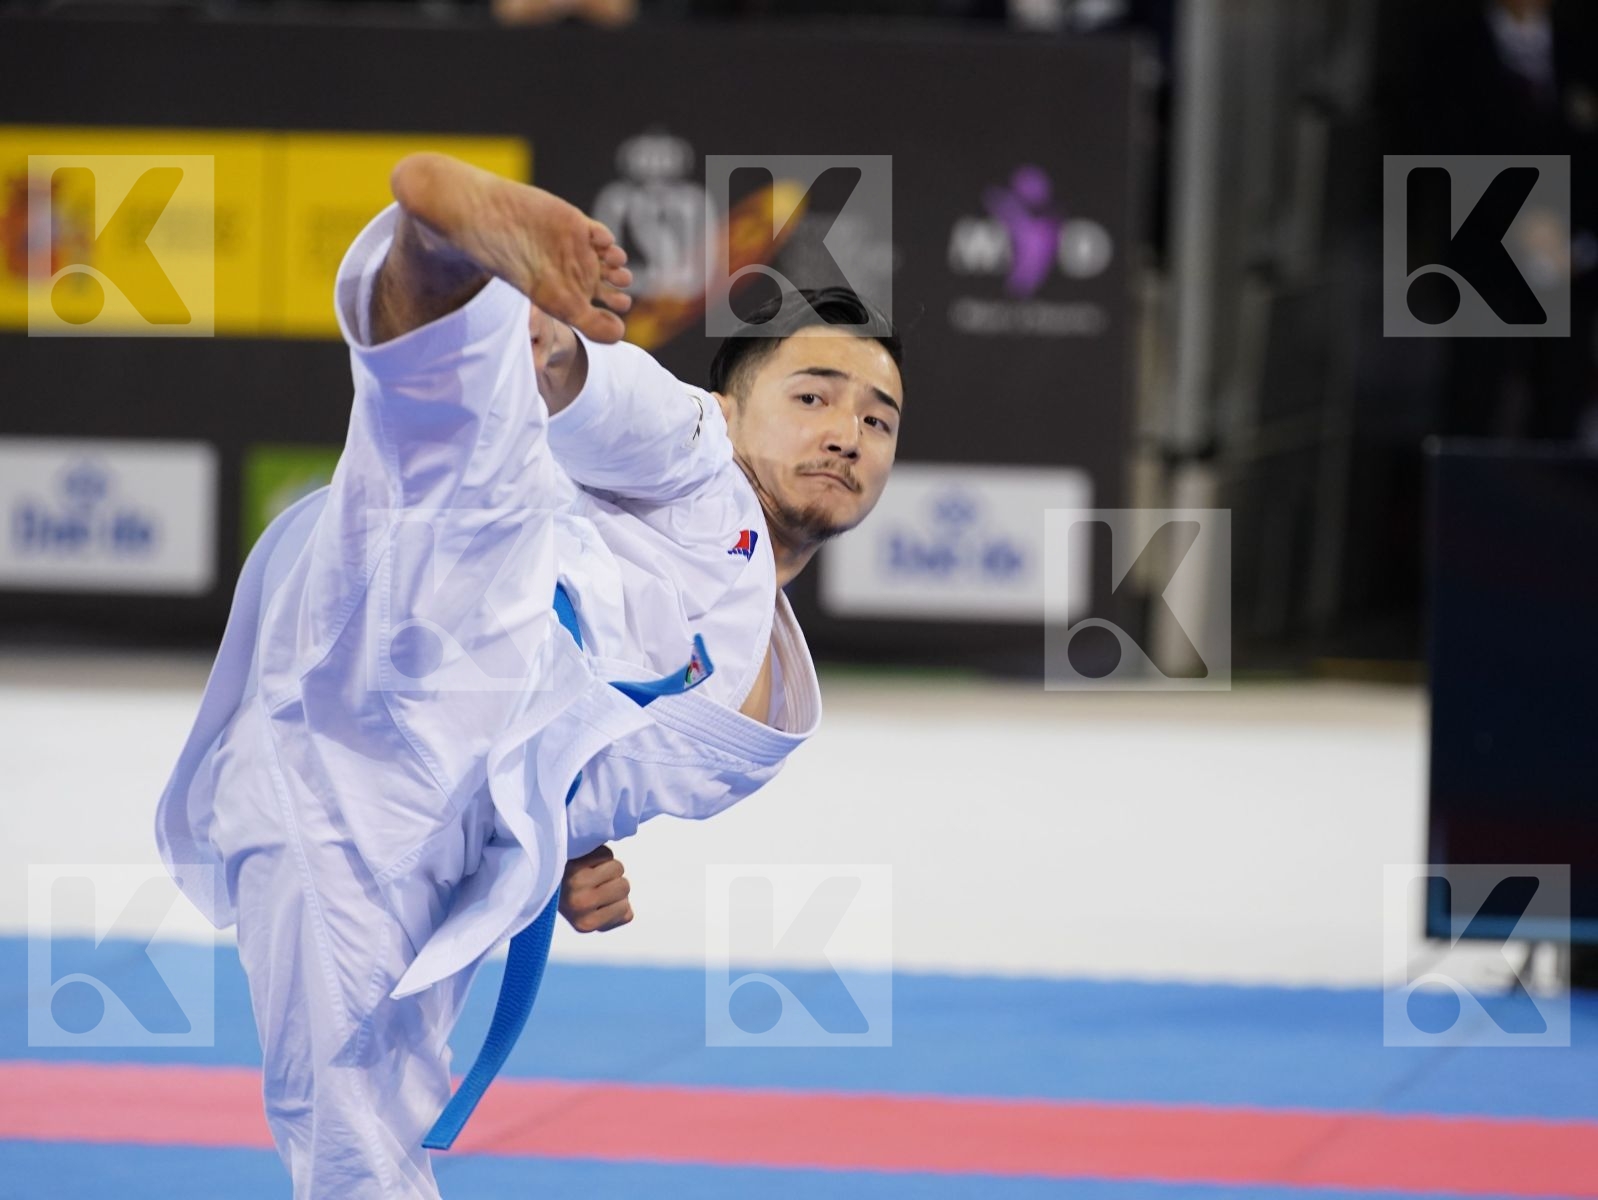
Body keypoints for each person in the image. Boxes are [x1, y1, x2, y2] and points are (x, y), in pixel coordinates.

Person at [153, 151, 902, 1198]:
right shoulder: (696, 461)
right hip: (459, 626)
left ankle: (449, 268)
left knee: (354, 1126)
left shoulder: (773, 706)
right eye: (815, 395)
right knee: (463, 471)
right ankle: (444, 244)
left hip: (389, 808)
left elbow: (582, 740)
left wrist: (566, 843)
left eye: (877, 420)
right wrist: (555, 352)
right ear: (732, 410)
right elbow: (619, 405)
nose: (846, 434)